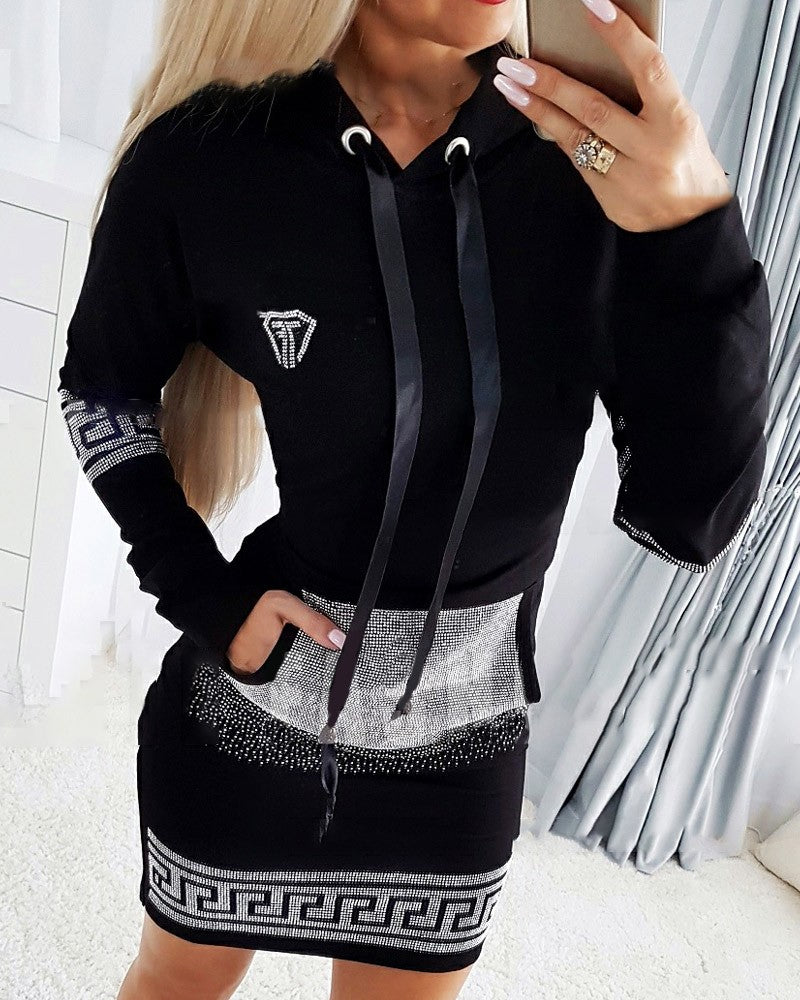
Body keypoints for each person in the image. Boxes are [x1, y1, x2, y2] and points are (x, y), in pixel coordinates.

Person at [56, 0, 771, 997]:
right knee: (173, 985)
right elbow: (102, 391)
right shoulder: (208, 158)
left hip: (461, 747)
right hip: (249, 716)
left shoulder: (589, 163)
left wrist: (695, 227)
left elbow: (692, 513)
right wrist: (207, 600)